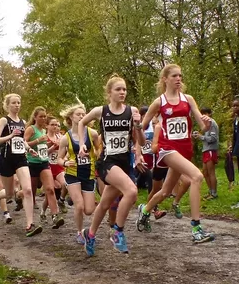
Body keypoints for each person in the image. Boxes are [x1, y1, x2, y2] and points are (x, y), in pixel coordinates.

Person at [136, 64, 215, 243]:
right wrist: (137, 137)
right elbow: (141, 127)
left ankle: (145, 210)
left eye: (180, 76)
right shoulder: (159, 102)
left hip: (184, 149)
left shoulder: (188, 99)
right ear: (165, 79)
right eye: (174, 76)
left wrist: (207, 124)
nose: (179, 79)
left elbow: (202, 127)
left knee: (164, 191)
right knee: (196, 176)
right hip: (167, 149)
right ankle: (196, 228)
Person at [78, 76, 144, 255]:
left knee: (105, 203)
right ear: (109, 93)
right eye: (118, 89)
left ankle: (89, 234)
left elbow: (141, 141)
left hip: (124, 164)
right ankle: (118, 232)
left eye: (124, 89)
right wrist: (84, 143)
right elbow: (82, 122)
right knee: (131, 191)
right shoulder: (101, 111)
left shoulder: (132, 111)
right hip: (107, 163)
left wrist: (137, 126)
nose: (122, 92)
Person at [0, 94, 43, 236]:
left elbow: (21, 141)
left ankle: (30, 224)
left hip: (20, 158)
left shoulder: (22, 122)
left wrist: (29, 148)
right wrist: (10, 136)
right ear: (7, 105)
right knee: (9, 194)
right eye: (14, 103)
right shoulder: (4, 120)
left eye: (19, 103)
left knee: (27, 190)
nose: (17, 105)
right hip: (6, 159)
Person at [58, 103, 101, 245]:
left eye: (84, 114)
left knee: (89, 210)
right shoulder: (66, 138)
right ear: (71, 117)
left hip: (88, 174)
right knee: (79, 206)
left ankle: (75, 200)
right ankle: (80, 232)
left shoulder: (92, 134)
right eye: (78, 114)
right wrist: (65, 163)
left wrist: (94, 154)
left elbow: (98, 151)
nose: (82, 116)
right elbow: (59, 159)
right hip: (72, 174)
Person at [25, 107, 64, 228]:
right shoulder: (31, 129)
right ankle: (30, 221)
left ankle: (55, 216)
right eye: (41, 116)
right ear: (35, 117)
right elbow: (24, 143)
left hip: (43, 163)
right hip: (32, 163)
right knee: (30, 193)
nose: (43, 118)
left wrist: (50, 145)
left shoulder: (43, 131)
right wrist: (37, 141)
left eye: (44, 116)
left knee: (50, 189)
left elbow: (43, 147)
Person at [197, 107, 219, 200]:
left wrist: (201, 137)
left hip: (211, 150)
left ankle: (214, 193)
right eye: (202, 114)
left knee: (211, 172)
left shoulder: (212, 123)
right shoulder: (206, 124)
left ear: (209, 113)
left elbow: (213, 139)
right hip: (205, 150)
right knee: (205, 172)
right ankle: (210, 191)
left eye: (205, 114)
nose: (203, 116)